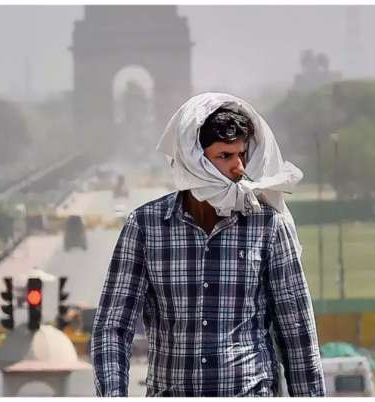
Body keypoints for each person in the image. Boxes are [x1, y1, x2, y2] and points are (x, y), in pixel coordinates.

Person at [91, 93, 325, 397]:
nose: (238, 168)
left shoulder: (268, 225)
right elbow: (112, 328)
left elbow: (297, 334)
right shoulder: (147, 227)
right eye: (224, 156)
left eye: (241, 154)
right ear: (194, 160)